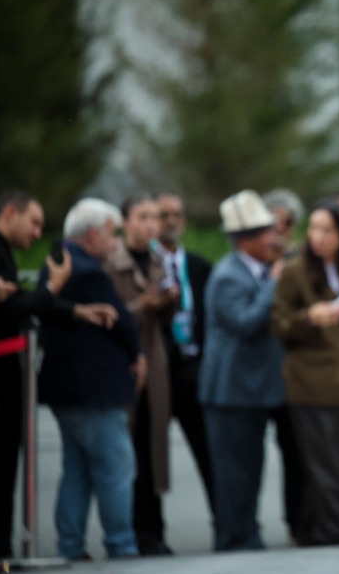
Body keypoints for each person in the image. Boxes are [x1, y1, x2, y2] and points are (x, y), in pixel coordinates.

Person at [0, 190, 117, 558]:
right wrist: (53, 288)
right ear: (10, 213)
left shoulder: (4, 251)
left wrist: (74, 310)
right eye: (33, 222)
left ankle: (3, 551)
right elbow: (12, 308)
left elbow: (14, 300)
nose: (37, 233)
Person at [38, 198, 147, 560]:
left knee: (77, 469)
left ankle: (70, 545)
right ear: (94, 233)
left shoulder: (56, 263)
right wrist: (137, 354)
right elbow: (121, 321)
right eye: (112, 233)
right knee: (115, 467)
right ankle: (121, 543)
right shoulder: (88, 271)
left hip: (65, 388)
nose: (115, 242)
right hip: (94, 387)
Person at [271, 202, 339, 546]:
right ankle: (331, 536)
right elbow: (279, 324)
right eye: (314, 228)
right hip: (309, 381)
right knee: (322, 466)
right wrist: (309, 318)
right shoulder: (295, 270)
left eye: (327, 230)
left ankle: (317, 531)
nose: (317, 236)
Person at [199, 190, 285, 551]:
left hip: (249, 390)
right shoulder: (227, 277)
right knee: (234, 472)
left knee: (249, 467)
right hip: (230, 391)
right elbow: (247, 322)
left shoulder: (254, 270)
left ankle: (246, 532)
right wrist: (274, 283)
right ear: (244, 239)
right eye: (266, 232)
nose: (274, 239)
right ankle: (235, 537)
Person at [103, 194, 178, 556]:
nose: (152, 224)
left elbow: (164, 320)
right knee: (126, 449)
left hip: (155, 359)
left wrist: (169, 302)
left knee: (153, 444)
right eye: (143, 217)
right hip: (123, 362)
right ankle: (129, 532)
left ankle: (154, 530)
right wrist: (141, 305)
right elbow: (108, 315)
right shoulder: (109, 261)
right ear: (124, 221)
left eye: (155, 217)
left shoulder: (158, 259)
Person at [152, 193, 216, 525]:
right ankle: (151, 534)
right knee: (151, 453)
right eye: (164, 215)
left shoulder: (200, 266)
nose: (171, 221)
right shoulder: (143, 264)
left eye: (177, 214)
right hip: (158, 368)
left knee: (210, 450)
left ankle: (227, 526)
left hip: (194, 366)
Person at [259, 188, 307, 541]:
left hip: (292, 370)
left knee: (296, 449)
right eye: (272, 222)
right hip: (255, 372)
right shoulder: (250, 258)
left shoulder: (299, 260)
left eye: (287, 223)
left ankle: (298, 520)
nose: (279, 229)